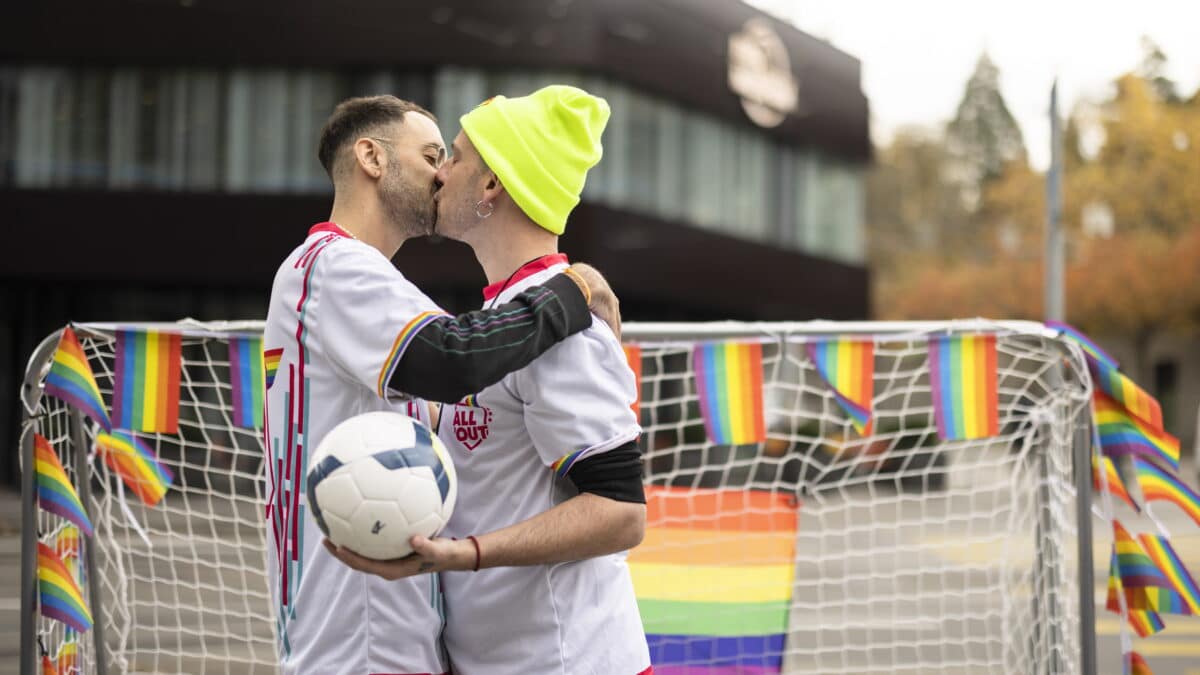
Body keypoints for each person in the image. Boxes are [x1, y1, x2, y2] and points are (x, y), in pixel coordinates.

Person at [263, 94, 621, 675]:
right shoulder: (335, 266)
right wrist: (572, 288)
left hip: (381, 631)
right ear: (372, 158)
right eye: (433, 154)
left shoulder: (358, 279)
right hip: (361, 637)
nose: (443, 172)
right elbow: (453, 358)